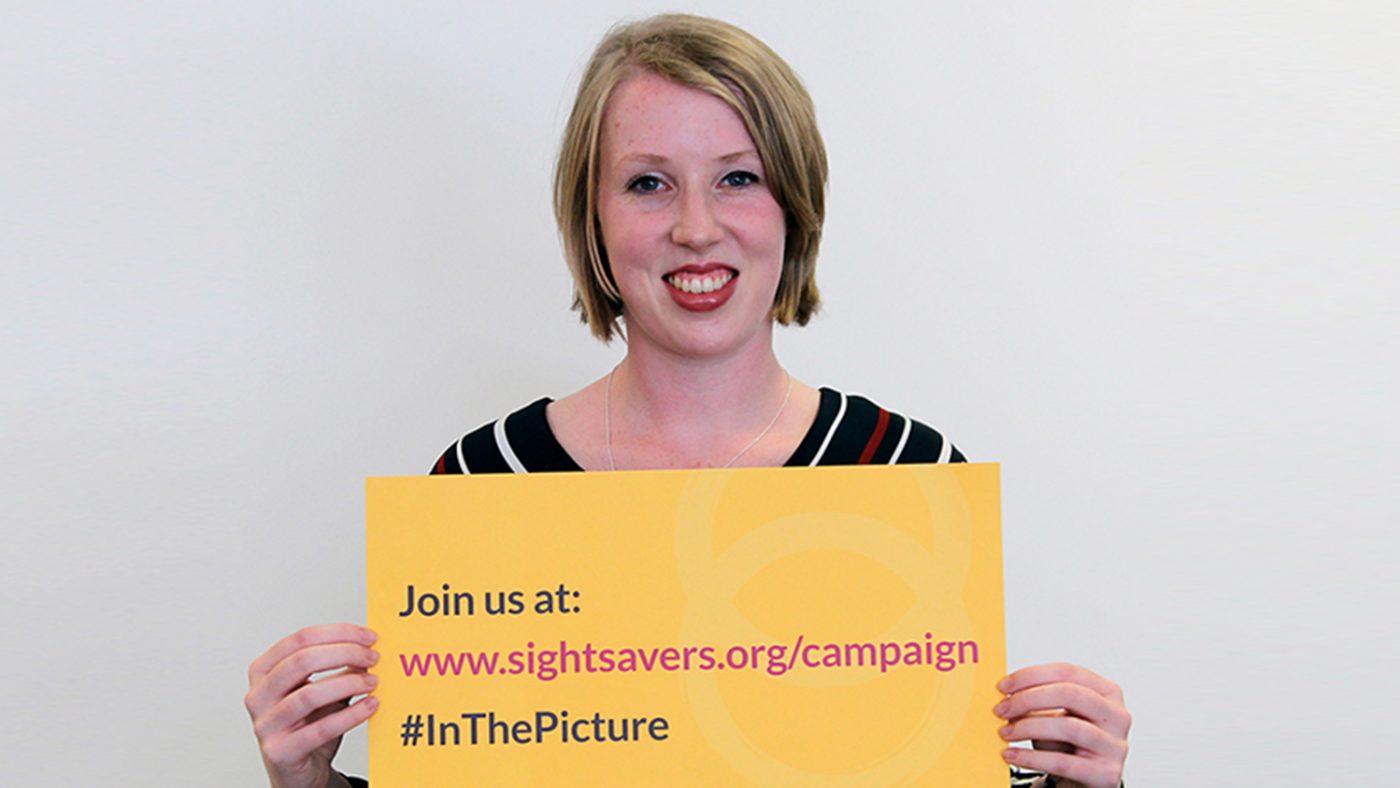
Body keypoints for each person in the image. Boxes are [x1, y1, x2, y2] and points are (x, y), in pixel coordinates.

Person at [244, 14, 1131, 788]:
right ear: (590, 220)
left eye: (738, 177)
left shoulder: (906, 475)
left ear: (795, 206)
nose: (696, 227)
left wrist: (1078, 786)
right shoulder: (479, 487)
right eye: (647, 182)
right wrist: (308, 783)